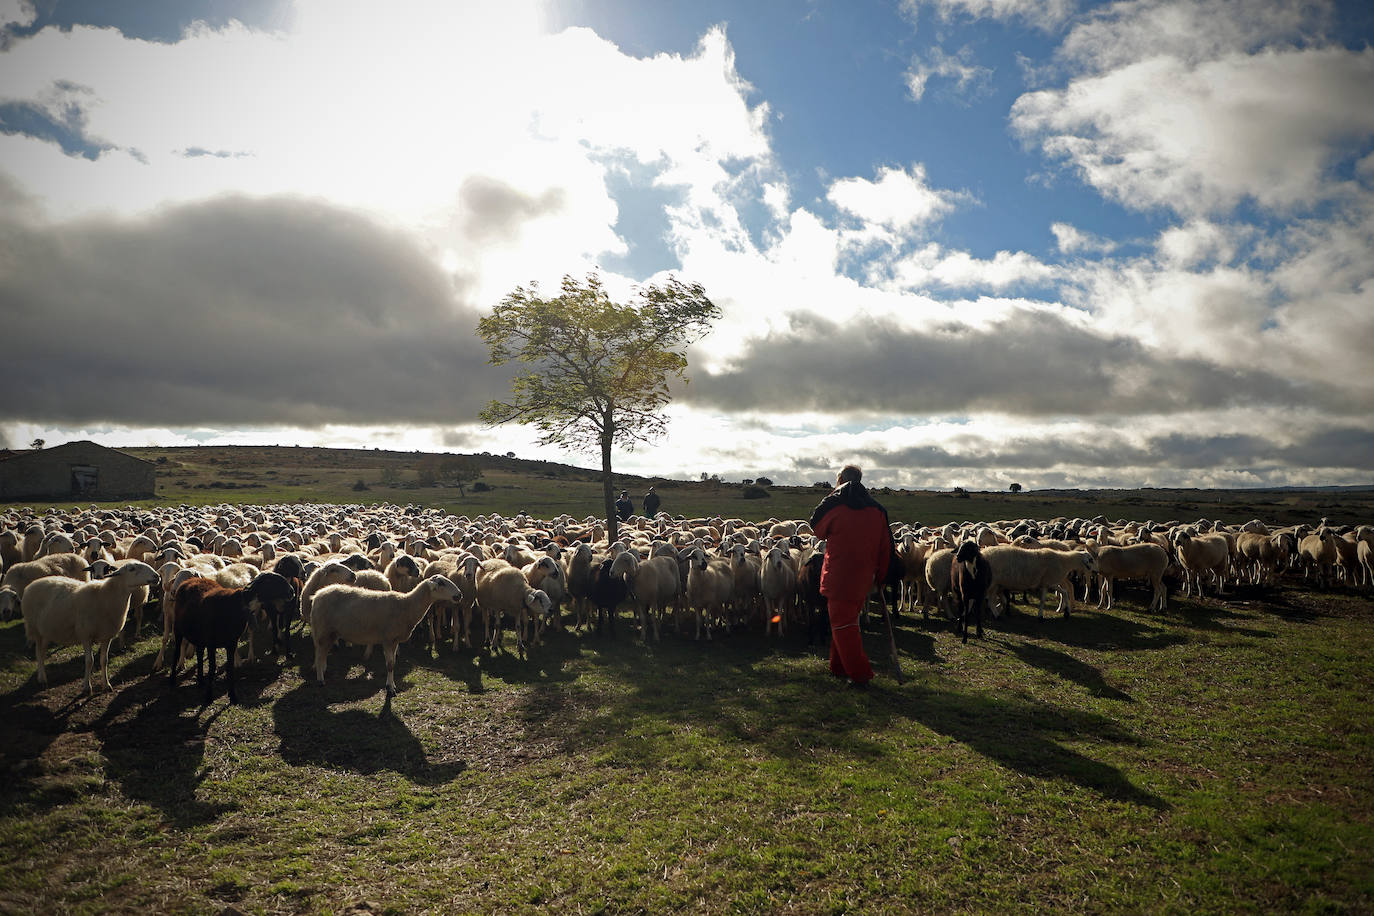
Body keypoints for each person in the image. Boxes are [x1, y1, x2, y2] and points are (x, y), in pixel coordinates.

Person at [807, 464, 893, 689]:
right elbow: (886, 548)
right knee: (844, 621)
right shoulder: (877, 511)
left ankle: (860, 676)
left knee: (844, 626)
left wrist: (833, 495)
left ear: (840, 481)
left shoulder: (836, 507)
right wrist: (881, 577)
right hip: (863, 578)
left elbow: (816, 528)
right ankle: (838, 666)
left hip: (839, 576)